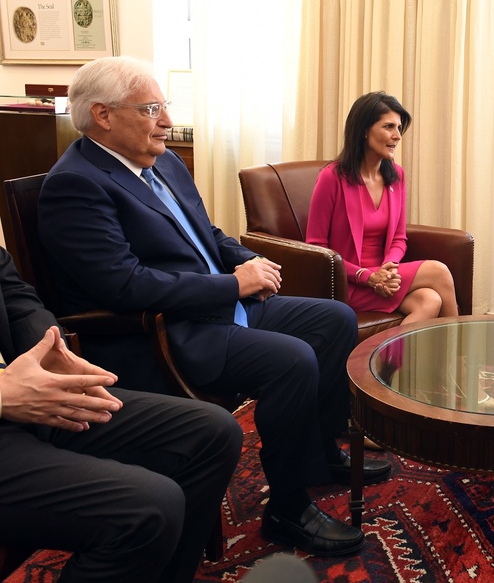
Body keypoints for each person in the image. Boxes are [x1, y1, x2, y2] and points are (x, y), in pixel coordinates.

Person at [36, 57, 391, 558]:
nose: (166, 121)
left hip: (216, 306)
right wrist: (232, 285)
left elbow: (210, 236)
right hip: (164, 333)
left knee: (335, 318)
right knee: (292, 360)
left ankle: (317, 451)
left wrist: (250, 262)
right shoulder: (75, 184)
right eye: (152, 108)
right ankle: (288, 509)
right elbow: (124, 286)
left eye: (165, 107)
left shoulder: (165, 162)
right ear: (103, 115)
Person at [0, 244, 243, 583]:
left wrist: (48, 346)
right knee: (151, 507)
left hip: (31, 390)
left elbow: (14, 295)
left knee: (215, 432)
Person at [306, 91, 458, 325]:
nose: (397, 136)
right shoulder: (332, 177)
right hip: (350, 282)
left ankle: (389, 362)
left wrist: (388, 270)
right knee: (438, 272)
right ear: (364, 130)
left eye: (399, 128)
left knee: (430, 300)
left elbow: (399, 238)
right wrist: (367, 277)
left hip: (384, 278)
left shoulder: (396, 176)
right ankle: (460, 358)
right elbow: (317, 249)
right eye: (388, 127)